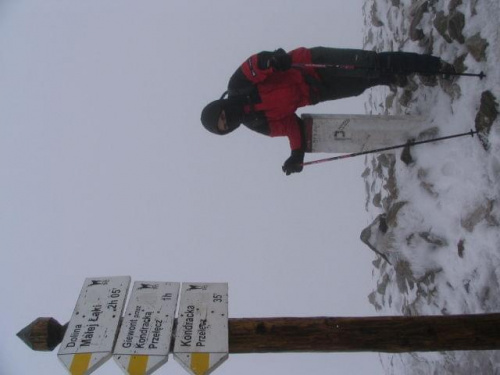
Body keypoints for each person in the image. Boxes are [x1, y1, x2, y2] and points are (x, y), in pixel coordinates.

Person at [201, 47, 455, 175]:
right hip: (317, 92)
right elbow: (290, 126)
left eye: (222, 116)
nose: (227, 120)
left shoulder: (237, 86)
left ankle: (434, 66)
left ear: (219, 106)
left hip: (310, 64)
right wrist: (296, 153)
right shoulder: (255, 122)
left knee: (370, 64)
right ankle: (399, 76)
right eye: (225, 126)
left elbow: (256, 64)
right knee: (364, 82)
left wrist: (272, 60)